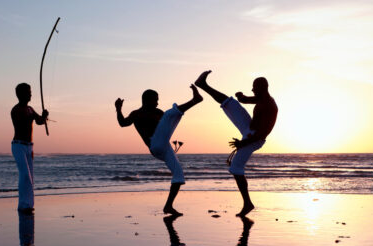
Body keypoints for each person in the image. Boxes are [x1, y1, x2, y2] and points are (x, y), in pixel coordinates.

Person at [195, 70, 278, 217]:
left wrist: (243, 143)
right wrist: (240, 97)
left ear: (262, 88)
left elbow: (263, 133)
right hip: (249, 130)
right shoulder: (260, 98)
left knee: (236, 168)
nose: (252, 89)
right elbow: (246, 100)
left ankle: (248, 203)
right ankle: (203, 85)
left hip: (254, 139)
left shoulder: (270, 105)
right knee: (230, 103)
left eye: (254, 87)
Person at [115, 85, 202, 215]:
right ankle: (195, 100)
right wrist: (118, 109)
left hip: (163, 146)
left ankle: (168, 206)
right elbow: (123, 123)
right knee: (169, 114)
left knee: (178, 174)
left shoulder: (157, 112)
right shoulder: (137, 114)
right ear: (146, 100)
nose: (157, 102)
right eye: (155, 100)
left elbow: (167, 125)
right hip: (154, 144)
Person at [11, 83, 49, 214]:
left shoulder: (30, 109)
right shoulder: (16, 110)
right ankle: (23, 205)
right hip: (18, 145)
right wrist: (35, 116)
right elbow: (20, 121)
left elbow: (39, 121)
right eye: (28, 92)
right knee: (25, 174)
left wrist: (44, 116)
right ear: (21, 94)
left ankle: (28, 204)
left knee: (30, 176)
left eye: (30, 91)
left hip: (29, 146)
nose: (31, 94)